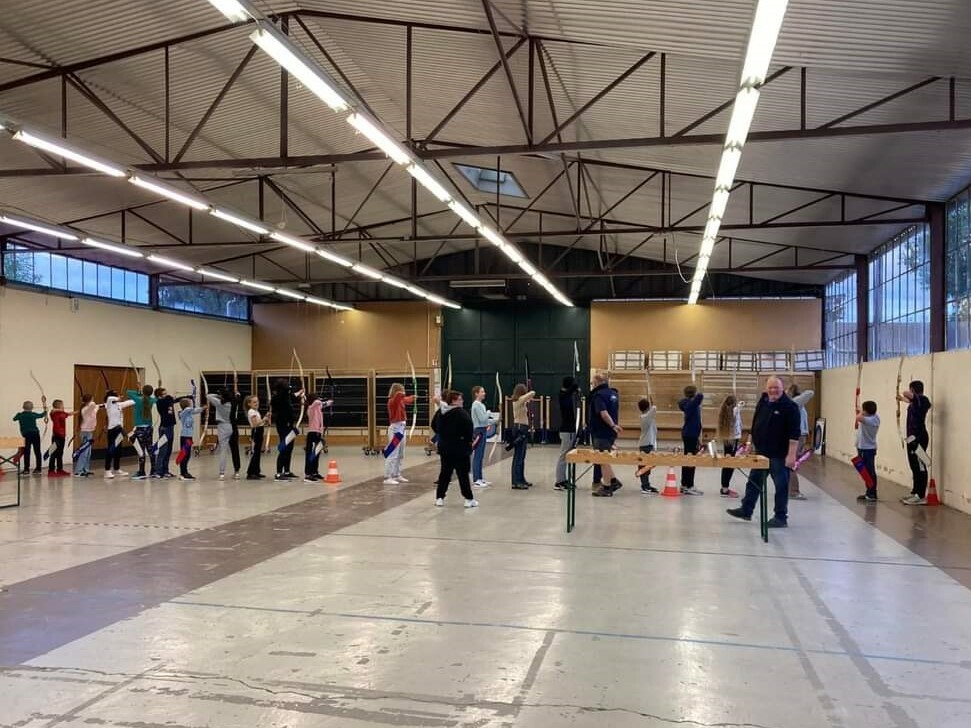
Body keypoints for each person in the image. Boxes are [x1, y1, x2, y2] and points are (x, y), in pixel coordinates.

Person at [726, 376, 800, 529]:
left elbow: (794, 434)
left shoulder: (790, 407)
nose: (773, 390)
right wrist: (749, 443)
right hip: (761, 452)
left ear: (783, 388)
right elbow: (755, 424)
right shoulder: (764, 401)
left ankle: (780, 517)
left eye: (776, 387)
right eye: (770, 387)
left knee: (781, 486)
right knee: (753, 482)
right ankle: (746, 510)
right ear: (766, 388)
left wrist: (791, 455)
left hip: (779, 455)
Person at [434, 389, 478, 508]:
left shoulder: (441, 412)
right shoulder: (461, 413)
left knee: (445, 473)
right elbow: (469, 428)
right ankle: (468, 499)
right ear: (453, 401)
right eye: (460, 399)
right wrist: (468, 441)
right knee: (463, 474)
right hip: (460, 448)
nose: (462, 401)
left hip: (445, 448)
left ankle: (439, 498)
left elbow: (434, 425)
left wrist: (444, 435)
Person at [589, 370, 623, 497]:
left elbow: (603, 413)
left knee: (603, 459)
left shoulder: (598, 395)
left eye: (593, 383)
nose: (592, 385)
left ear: (597, 382)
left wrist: (612, 425)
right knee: (605, 458)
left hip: (601, 431)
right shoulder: (613, 394)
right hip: (610, 433)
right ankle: (613, 481)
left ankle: (607, 486)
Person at [899, 380, 932, 505]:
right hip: (912, 439)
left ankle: (921, 495)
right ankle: (915, 492)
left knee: (920, 466)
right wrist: (902, 400)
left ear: (912, 390)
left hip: (919, 438)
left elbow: (907, 394)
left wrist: (906, 395)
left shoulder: (922, 400)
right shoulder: (916, 403)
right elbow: (911, 401)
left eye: (911, 389)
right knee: (914, 466)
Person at [786, 383, 815, 500]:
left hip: (799, 436)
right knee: (791, 464)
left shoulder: (796, 403)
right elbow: (810, 393)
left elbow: (810, 392)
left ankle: (792, 490)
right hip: (798, 436)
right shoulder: (794, 403)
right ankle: (792, 490)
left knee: (791, 464)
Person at [383, 382, 415, 485]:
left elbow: (406, 400)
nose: (403, 392)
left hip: (401, 429)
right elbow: (399, 396)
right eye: (402, 389)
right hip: (395, 430)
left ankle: (396, 474)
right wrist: (402, 393)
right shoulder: (392, 401)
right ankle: (388, 477)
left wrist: (412, 397)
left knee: (401, 454)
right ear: (397, 391)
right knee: (393, 453)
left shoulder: (400, 400)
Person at [553, 376, 581, 491]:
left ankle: (564, 479)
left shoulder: (567, 395)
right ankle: (559, 481)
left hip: (570, 430)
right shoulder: (563, 395)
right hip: (566, 431)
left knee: (567, 456)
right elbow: (569, 391)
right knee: (564, 456)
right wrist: (575, 387)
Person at [271, 379, 302, 481]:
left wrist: (300, 393)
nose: (288, 387)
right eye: (286, 386)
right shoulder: (277, 398)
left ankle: (287, 471)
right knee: (284, 447)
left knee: (290, 448)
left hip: (289, 425)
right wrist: (294, 392)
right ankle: (279, 473)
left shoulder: (285, 396)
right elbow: (286, 396)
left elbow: (291, 396)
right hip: (283, 425)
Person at [126, 383, 157, 480]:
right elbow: (155, 399)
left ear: (143, 392)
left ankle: (142, 472)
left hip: (140, 429)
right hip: (149, 428)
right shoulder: (151, 400)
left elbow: (128, 392)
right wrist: (142, 392)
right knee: (150, 449)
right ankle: (153, 471)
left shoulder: (138, 399)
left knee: (141, 450)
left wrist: (138, 391)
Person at [509, 383, 536, 489]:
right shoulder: (518, 400)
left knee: (521, 456)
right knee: (518, 456)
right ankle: (516, 481)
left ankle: (521, 479)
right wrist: (528, 394)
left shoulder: (520, 401)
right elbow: (532, 393)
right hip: (520, 429)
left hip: (522, 428)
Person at [678, 385, 704, 495]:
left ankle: (685, 484)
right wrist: (697, 392)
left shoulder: (688, 403)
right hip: (690, 435)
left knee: (687, 459)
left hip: (690, 434)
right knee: (691, 460)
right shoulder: (691, 404)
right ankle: (689, 486)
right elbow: (700, 396)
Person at [717, 395, 744, 498]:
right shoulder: (734, 410)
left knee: (727, 463)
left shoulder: (726, 411)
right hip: (732, 439)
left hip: (728, 438)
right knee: (729, 464)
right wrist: (739, 403)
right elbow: (741, 405)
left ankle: (724, 487)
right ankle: (725, 489)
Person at [103, 390, 134, 479]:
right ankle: (107, 470)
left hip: (120, 430)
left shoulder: (119, 405)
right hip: (112, 430)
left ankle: (116, 468)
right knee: (111, 450)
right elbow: (110, 398)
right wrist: (118, 398)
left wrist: (139, 393)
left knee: (118, 450)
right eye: (116, 395)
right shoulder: (109, 404)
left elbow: (132, 401)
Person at [470, 385, 496, 488]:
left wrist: (496, 421)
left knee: (480, 456)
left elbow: (485, 421)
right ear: (476, 393)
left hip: (482, 429)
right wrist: (488, 412)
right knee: (478, 455)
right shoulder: (476, 405)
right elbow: (482, 419)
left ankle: (480, 478)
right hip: (479, 431)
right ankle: (476, 479)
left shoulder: (480, 405)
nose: (484, 393)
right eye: (482, 392)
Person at [207, 387, 236, 480]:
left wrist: (218, 396)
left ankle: (222, 473)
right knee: (227, 449)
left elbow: (208, 396)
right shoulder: (230, 403)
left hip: (222, 427)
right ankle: (235, 472)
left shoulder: (219, 403)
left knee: (223, 451)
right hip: (229, 426)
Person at [13, 398, 47, 475]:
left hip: (26, 435)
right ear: (32, 408)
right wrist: (45, 411)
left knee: (27, 452)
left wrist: (18, 414)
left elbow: (14, 419)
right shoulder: (33, 414)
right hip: (35, 434)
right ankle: (38, 469)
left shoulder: (20, 415)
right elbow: (41, 415)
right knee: (37, 451)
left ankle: (26, 470)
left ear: (23, 407)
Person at [303, 393, 332, 482]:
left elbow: (322, 404)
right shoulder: (311, 408)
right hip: (312, 433)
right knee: (311, 454)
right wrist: (324, 401)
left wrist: (329, 402)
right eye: (316, 397)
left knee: (316, 453)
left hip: (318, 433)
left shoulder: (317, 407)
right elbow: (317, 402)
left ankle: (314, 472)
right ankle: (308, 474)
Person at [855, 400, 880, 502]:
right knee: (865, 471)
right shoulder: (875, 417)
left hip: (867, 449)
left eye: (864, 409)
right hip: (865, 448)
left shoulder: (870, 420)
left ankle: (872, 493)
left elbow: (858, 417)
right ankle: (869, 492)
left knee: (869, 472)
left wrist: (861, 412)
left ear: (866, 411)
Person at [177, 396, 207, 481]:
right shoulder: (183, 413)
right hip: (185, 437)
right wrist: (198, 406)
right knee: (184, 455)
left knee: (187, 455)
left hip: (189, 436)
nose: (190, 404)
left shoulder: (189, 413)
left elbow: (195, 410)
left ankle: (185, 472)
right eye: (189, 403)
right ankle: (183, 473)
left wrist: (203, 408)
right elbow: (190, 409)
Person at [152, 386, 177, 478]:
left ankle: (165, 471)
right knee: (163, 450)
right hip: (164, 428)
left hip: (170, 427)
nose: (166, 395)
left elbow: (174, 400)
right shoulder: (160, 402)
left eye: (166, 393)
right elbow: (168, 399)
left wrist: (188, 397)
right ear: (159, 396)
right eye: (164, 394)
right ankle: (158, 471)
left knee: (168, 450)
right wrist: (169, 397)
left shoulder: (168, 400)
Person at [74, 394, 100, 477]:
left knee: (88, 452)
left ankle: (85, 469)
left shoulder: (90, 410)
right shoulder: (85, 409)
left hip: (90, 432)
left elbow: (95, 408)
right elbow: (93, 405)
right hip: (85, 432)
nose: (93, 401)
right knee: (84, 452)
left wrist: (104, 405)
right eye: (92, 399)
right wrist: (91, 402)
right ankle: (78, 471)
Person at [637, 397, 659, 495]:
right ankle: (644, 486)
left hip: (648, 444)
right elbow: (654, 409)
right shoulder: (645, 417)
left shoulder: (647, 417)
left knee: (647, 467)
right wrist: (652, 403)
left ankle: (647, 485)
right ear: (647, 407)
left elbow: (652, 410)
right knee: (644, 467)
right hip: (645, 445)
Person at [46, 399, 72, 477]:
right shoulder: (53, 413)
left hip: (62, 436)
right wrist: (58, 409)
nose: (63, 406)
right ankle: (51, 471)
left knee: (60, 453)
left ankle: (59, 470)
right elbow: (52, 411)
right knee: (53, 453)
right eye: (62, 405)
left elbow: (69, 414)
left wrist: (79, 411)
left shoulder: (61, 413)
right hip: (56, 436)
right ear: (59, 406)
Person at [246, 395, 269, 480]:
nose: (256, 403)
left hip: (259, 431)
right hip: (256, 432)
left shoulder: (256, 411)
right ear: (249, 404)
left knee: (258, 452)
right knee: (255, 453)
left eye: (257, 401)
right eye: (254, 402)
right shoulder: (251, 412)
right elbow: (255, 424)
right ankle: (250, 473)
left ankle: (256, 471)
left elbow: (260, 422)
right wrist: (264, 419)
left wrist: (266, 418)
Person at [227, 383, 244, 480]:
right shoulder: (186, 412)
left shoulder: (224, 403)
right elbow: (237, 398)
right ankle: (183, 471)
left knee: (233, 449)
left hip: (187, 437)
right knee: (185, 452)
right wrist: (237, 394)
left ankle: (184, 471)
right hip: (185, 437)